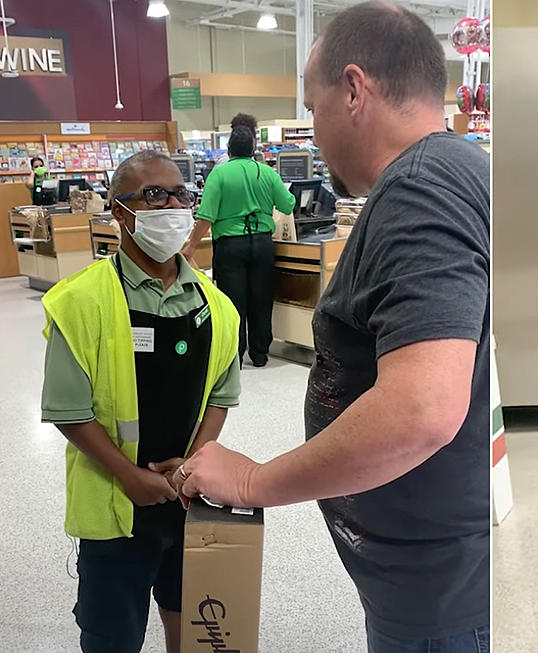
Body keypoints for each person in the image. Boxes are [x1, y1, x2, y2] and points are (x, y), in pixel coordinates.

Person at [175, 3, 490, 651]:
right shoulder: (454, 171)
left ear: (354, 89)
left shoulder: (421, 189)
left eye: (314, 108)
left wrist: (252, 479)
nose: (314, 133)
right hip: (433, 566)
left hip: (435, 591)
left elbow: (423, 408)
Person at [40, 150, 240, 653]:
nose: (172, 205)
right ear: (119, 211)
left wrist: (191, 465)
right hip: (114, 504)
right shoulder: (80, 301)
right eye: (154, 194)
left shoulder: (217, 308)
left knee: (188, 614)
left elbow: (221, 395)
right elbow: (69, 411)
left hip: (187, 498)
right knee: (113, 632)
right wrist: (130, 476)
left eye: (180, 194)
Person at [184, 125, 296, 367]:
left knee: (233, 301)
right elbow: (288, 205)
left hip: (230, 246)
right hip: (263, 244)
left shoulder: (219, 175)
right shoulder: (267, 173)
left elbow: (206, 217)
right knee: (261, 298)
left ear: (228, 148)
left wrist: (191, 246)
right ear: (254, 148)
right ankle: (260, 354)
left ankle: (236, 353)